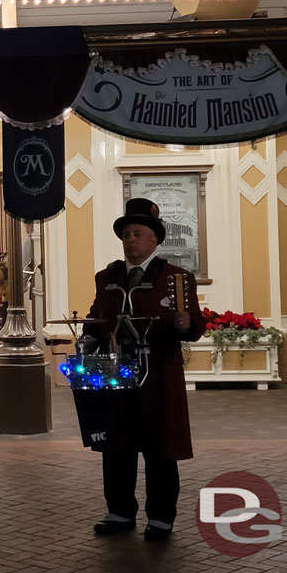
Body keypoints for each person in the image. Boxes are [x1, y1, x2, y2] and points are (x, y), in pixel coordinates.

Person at [85, 198, 205, 541]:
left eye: (137, 233)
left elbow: (194, 323)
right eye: (126, 234)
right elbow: (96, 318)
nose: (130, 239)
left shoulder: (176, 278)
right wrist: (87, 337)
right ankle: (119, 511)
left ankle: (161, 517)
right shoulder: (107, 277)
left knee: (160, 447)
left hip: (159, 376)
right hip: (117, 374)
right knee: (116, 445)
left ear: (155, 239)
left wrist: (185, 324)